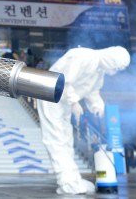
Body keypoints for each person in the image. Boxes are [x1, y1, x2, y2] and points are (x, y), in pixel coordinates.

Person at [36, 46, 130, 195]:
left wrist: (97, 106)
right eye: (117, 67)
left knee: (66, 140)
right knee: (56, 138)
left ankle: (72, 178)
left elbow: (93, 92)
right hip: (50, 95)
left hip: (64, 102)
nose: (115, 71)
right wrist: (74, 102)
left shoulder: (99, 71)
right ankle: (66, 182)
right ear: (111, 59)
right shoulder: (82, 56)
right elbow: (63, 80)